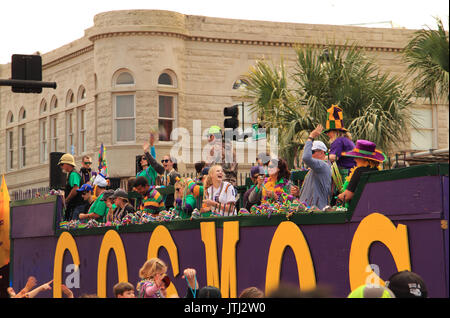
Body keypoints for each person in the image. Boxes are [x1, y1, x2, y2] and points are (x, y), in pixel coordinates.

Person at [337, 140, 386, 204]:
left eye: (357, 157)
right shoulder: (376, 170)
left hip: (358, 209)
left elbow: (347, 196)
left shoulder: (359, 171)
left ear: (364, 158)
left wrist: (338, 197)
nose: (354, 159)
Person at [298, 125, 332, 210]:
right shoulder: (315, 169)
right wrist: (298, 193)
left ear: (322, 153)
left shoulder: (323, 166)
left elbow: (306, 157)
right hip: (309, 212)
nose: (310, 154)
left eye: (312, 151)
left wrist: (311, 137)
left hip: (316, 212)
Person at [142, 142, 180, 209]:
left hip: (173, 204)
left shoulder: (175, 175)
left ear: (172, 162)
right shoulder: (163, 172)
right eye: (162, 161)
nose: (164, 162)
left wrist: (168, 186)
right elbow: (154, 164)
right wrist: (146, 152)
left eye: (166, 161)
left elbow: (179, 189)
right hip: (164, 203)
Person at [323, 104, 356, 174]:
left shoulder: (338, 141)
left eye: (329, 131)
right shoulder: (346, 140)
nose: (327, 134)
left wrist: (317, 158)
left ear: (336, 131)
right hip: (353, 171)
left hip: (348, 174)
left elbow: (334, 157)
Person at [58, 153, 85, 221]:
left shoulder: (73, 174)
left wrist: (66, 200)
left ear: (67, 164)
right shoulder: (72, 174)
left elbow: (75, 189)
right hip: (77, 206)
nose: (61, 167)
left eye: (62, 164)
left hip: (77, 206)